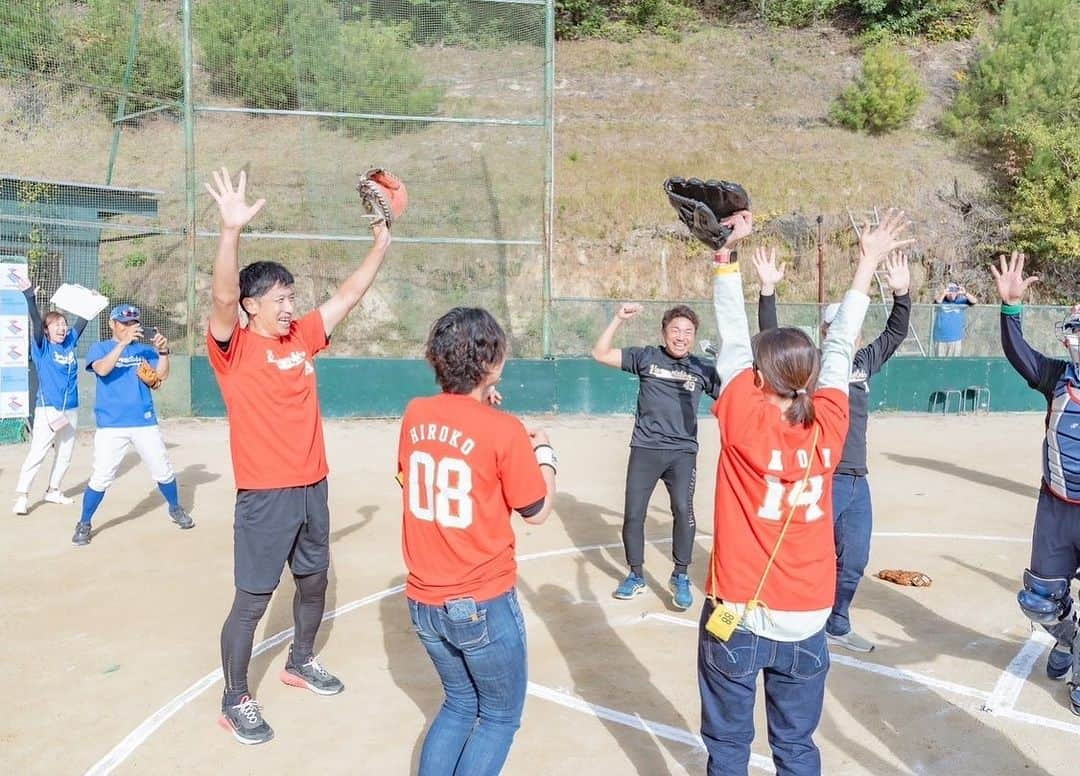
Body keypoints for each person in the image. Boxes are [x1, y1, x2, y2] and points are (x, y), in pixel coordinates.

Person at [699, 209, 911, 775]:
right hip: (808, 617)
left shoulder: (742, 416)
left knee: (727, 750)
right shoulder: (830, 424)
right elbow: (841, 345)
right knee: (795, 748)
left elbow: (732, 337)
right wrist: (866, 263)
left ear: (760, 380)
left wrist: (725, 258)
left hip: (740, 610)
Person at [204, 167, 392, 745]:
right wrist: (231, 232)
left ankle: (300, 660)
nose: (291, 308)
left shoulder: (302, 336)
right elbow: (220, 294)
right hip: (266, 494)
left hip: (314, 486)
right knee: (254, 600)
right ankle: (236, 697)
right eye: (281, 300)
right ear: (253, 306)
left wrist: (381, 240)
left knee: (314, 583)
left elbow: (349, 294)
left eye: (292, 299)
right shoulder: (231, 347)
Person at [398, 306, 557, 776]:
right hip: (480, 601)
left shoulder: (415, 413)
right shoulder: (505, 430)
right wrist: (544, 449)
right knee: (499, 718)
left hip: (424, 600)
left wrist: (482, 414)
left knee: (459, 704)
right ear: (491, 363)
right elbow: (538, 511)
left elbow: (411, 476)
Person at [755, 250, 913, 652]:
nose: (850, 334)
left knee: (855, 558)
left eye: (854, 328)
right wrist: (768, 292)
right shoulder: (813, 368)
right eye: (839, 327)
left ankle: (837, 622)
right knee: (806, 552)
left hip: (858, 477)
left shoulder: (862, 361)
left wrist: (902, 294)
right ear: (827, 331)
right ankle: (795, 621)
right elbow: (772, 345)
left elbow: (895, 335)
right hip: (823, 475)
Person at [991, 251, 1080, 715]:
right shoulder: (1055, 378)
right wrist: (1010, 307)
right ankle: (1069, 635)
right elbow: (1017, 352)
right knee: (1038, 601)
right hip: (1056, 509)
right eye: (1076, 329)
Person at [591, 303, 720, 609]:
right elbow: (600, 353)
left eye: (688, 332)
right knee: (634, 514)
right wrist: (617, 320)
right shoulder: (647, 357)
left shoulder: (702, 369)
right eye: (675, 330)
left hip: (682, 453)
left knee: (683, 510)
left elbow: (732, 397)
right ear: (664, 333)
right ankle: (636, 575)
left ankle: (681, 574)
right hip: (645, 450)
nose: (681, 337)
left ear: (694, 336)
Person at [71, 304, 193, 546]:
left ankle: (175, 508)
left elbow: (161, 376)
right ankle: (84, 522)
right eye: (124, 323)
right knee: (101, 476)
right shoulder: (101, 348)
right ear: (112, 324)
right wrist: (123, 343)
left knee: (163, 469)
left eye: (133, 323)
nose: (130, 327)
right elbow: (103, 369)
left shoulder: (143, 350)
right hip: (111, 425)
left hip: (143, 420)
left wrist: (164, 352)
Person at [12, 274, 88, 514]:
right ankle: (22, 496)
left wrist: (89, 300)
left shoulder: (69, 343)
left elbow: (83, 320)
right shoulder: (41, 346)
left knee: (65, 452)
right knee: (38, 452)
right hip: (48, 409)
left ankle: (53, 490)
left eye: (64, 325)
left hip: (71, 407)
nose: (62, 328)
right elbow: (35, 320)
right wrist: (29, 297)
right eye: (56, 325)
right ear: (46, 331)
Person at [932, 281, 977, 356]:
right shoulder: (941, 300)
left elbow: (974, 301)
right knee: (940, 364)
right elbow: (936, 305)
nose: (952, 292)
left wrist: (965, 293)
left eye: (955, 289)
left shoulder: (961, 301)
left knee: (953, 364)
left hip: (955, 339)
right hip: (940, 339)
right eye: (950, 289)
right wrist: (943, 294)